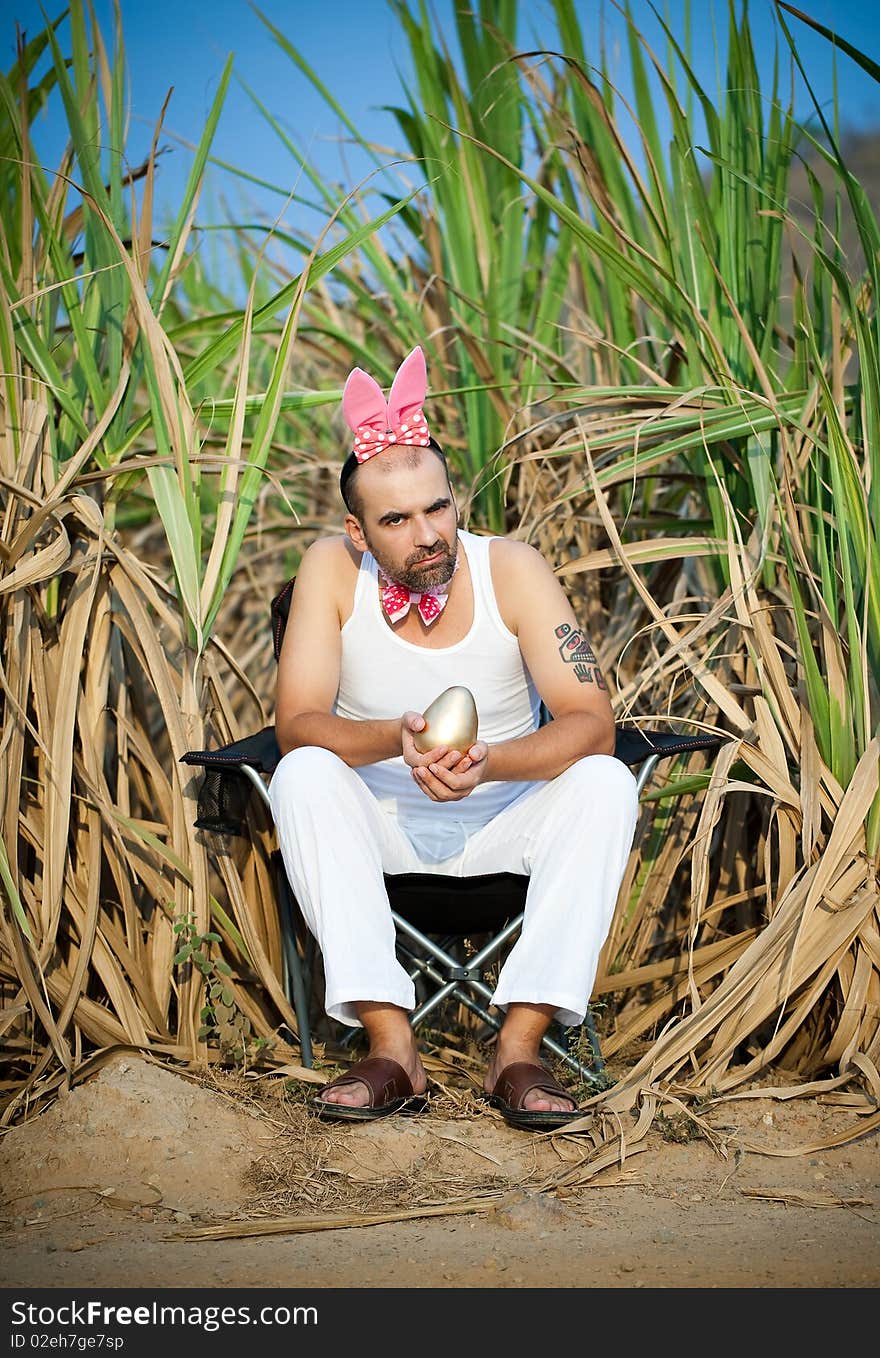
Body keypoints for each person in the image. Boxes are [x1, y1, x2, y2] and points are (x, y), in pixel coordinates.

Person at [268, 346, 639, 1131]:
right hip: (383, 822)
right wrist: (390, 741)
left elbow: (590, 718)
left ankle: (520, 1048)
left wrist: (491, 763)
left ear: (454, 500)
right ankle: (394, 1046)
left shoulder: (514, 568)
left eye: (436, 508)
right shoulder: (330, 572)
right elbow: (296, 721)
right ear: (358, 532)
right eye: (396, 520)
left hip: (506, 817)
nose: (426, 534)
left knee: (606, 779)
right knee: (300, 773)